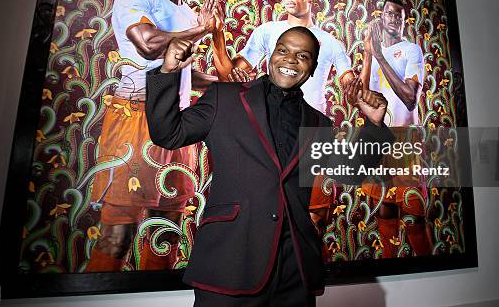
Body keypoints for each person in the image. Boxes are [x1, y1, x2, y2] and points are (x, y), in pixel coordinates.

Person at [145, 26, 390, 306]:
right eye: (283, 50)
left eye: (303, 55)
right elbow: (168, 133)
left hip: (294, 273)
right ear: (271, 55)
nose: (290, 60)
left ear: (312, 69)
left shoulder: (318, 123)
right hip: (230, 264)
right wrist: (167, 72)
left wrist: (375, 124)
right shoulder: (223, 98)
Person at [86, 0, 220, 272]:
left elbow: (184, 73)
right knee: (117, 233)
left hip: (177, 124)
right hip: (136, 116)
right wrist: (203, 29)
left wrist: (228, 85)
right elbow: (148, 46)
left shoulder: (187, 13)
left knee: (167, 231)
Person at [212, 0, 354, 115]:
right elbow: (228, 77)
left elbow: (352, 87)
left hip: (312, 127)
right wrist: (217, 32)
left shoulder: (330, 41)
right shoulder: (267, 31)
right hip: (275, 120)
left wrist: (361, 93)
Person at [359, 0, 430, 258]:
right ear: (382, 16)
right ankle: (391, 265)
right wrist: (368, 54)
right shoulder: (376, 51)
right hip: (379, 138)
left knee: (413, 212)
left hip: (405, 140)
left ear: (404, 21)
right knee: (385, 206)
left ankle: (427, 266)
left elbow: (410, 99)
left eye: (398, 15)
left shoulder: (411, 50)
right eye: (388, 13)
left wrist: (378, 54)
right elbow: (363, 95)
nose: (392, 18)